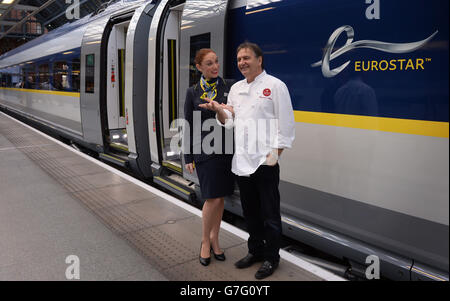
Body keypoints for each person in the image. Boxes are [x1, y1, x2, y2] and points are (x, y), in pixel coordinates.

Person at [200, 42, 295, 279]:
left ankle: (272, 258)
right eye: (239, 58)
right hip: (242, 162)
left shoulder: (275, 86)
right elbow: (229, 121)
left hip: (265, 162)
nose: (242, 62)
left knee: (270, 215)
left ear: (259, 60)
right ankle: (256, 252)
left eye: (246, 58)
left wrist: (273, 158)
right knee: (250, 213)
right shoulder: (237, 89)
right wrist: (218, 110)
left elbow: (286, 125)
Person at [183, 48, 235, 267]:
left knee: (220, 198)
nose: (215, 67)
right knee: (211, 198)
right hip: (204, 151)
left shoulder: (229, 87)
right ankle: (205, 241)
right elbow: (188, 124)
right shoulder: (192, 92)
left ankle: (215, 239)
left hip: (226, 151)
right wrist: (188, 156)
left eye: (216, 62)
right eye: (209, 63)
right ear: (199, 67)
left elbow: (234, 115)